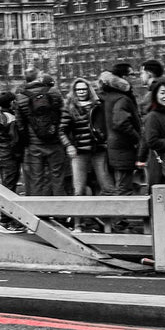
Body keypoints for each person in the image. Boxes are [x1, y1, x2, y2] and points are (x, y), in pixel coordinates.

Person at [61, 77, 113, 229]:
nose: (81, 92)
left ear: (88, 90)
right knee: (79, 188)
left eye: (84, 89)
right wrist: (68, 145)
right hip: (79, 151)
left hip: (98, 149)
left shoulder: (98, 105)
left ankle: (108, 222)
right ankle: (78, 223)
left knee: (106, 186)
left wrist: (105, 139)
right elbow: (62, 130)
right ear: (74, 92)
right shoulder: (69, 107)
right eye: (78, 90)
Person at [15, 69, 65, 196]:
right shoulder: (53, 92)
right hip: (54, 142)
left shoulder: (20, 97)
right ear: (39, 77)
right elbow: (63, 114)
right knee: (57, 177)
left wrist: (27, 142)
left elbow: (20, 125)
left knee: (36, 179)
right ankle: (61, 213)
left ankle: (39, 214)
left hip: (34, 145)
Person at [99, 63, 143, 200]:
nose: (134, 77)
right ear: (123, 77)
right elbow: (120, 122)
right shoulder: (122, 98)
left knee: (121, 184)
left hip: (116, 145)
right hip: (123, 146)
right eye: (131, 74)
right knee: (123, 186)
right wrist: (137, 138)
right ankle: (118, 220)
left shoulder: (109, 95)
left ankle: (118, 219)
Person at [0, 91, 26, 232]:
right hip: (9, 156)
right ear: (11, 103)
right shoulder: (10, 118)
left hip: (1, 154)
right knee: (9, 188)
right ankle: (5, 222)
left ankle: (7, 221)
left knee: (7, 186)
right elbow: (15, 139)